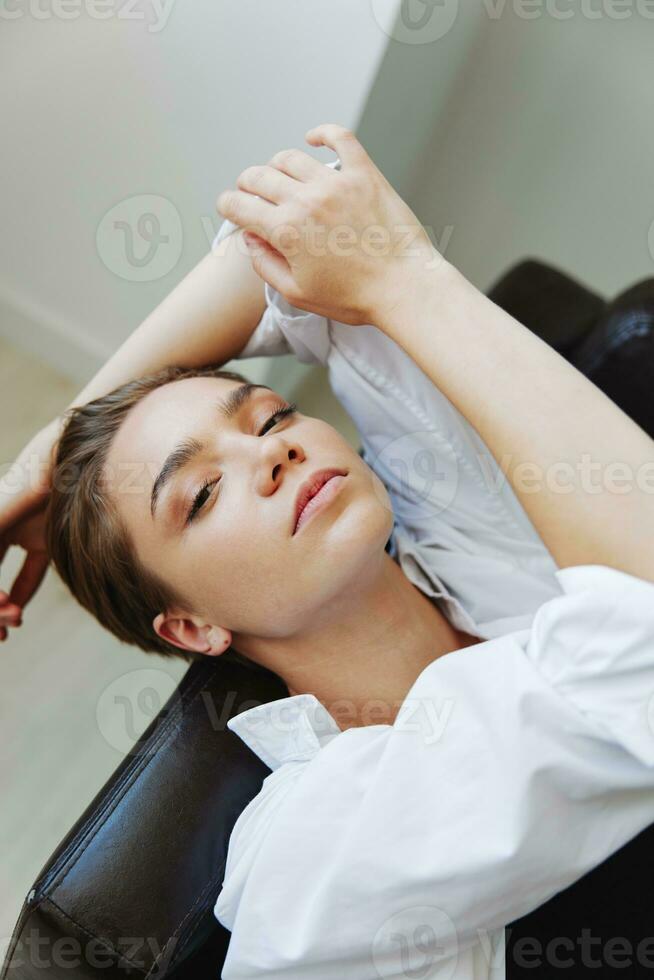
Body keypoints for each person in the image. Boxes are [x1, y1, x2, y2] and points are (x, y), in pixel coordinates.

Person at [1, 123, 653, 979]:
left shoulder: (457, 531)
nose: (271, 451)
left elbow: (288, 235)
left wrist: (46, 457)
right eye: (201, 495)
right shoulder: (315, 856)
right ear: (192, 627)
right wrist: (404, 278)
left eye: (269, 416)